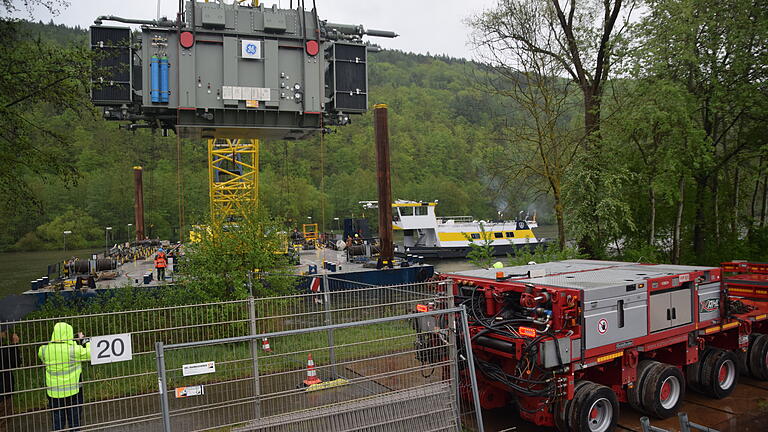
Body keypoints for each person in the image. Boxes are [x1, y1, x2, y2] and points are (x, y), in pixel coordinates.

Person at [38, 322, 90, 431]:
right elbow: (89, 354)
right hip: (73, 392)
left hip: (54, 393)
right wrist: (85, 341)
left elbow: (43, 358)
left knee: (57, 421)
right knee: (74, 420)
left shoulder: (44, 350)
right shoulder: (73, 350)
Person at [0, 330, 20, 432]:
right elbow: (15, 362)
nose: (5, 332)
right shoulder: (3, 350)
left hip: (4, 389)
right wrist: (14, 345)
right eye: (3, 330)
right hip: (3, 390)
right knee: (4, 418)